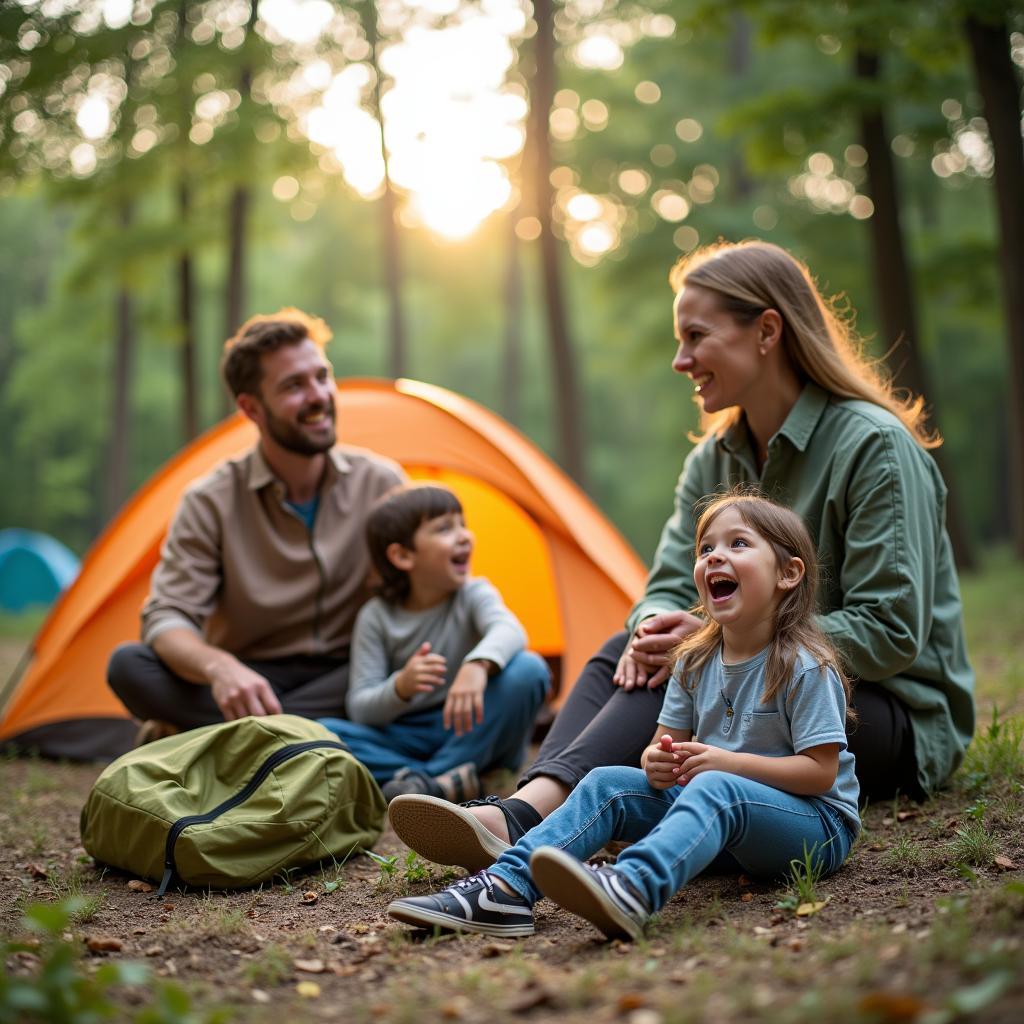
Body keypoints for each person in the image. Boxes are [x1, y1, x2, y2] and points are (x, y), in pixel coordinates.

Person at [388, 239, 974, 872]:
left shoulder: (874, 447)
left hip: (880, 713)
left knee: (694, 652)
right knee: (632, 649)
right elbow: (665, 583)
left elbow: (892, 629)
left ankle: (524, 819)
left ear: (766, 331)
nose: (680, 359)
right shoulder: (712, 460)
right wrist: (653, 626)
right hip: (746, 698)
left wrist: (726, 638)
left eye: (696, 337)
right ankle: (529, 807)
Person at [387, 492, 860, 941]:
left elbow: (820, 774)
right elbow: (660, 749)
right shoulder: (694, 661)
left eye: (738, 544)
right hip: (728, 822)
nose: (714, 556)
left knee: (719, 788)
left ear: (788, 573)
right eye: (706, 548)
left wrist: (727, 765)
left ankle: (632, 886)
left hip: (814, 826)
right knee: (606, 781)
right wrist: (659, 761)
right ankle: (505, 889)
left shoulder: (803, 664)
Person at [107, 308, 404, 737]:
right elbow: (167, 616)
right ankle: (311, 733)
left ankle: (238, 736)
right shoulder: (210, 500)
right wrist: (220, 667)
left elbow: (426, 597)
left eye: (322, 376)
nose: (319, 395)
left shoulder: (382, 482)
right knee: (129, 667)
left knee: (419, 663)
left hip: (355, 672)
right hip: (254, 679)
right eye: (294, 386)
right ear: (252, 408)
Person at [318, 484, 550, 802]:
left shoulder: (473, 594)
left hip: (474, 726)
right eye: (444, 529)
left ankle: (426, 781)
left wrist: (477, 664)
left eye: (462, 525)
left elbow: (509, 629)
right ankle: (450, 779)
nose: (464, 536)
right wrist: (400, 687)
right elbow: (360, 707)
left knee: (529, 669)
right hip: (410, 734)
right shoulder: (376, 617)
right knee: (325, 733)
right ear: (402, 555)